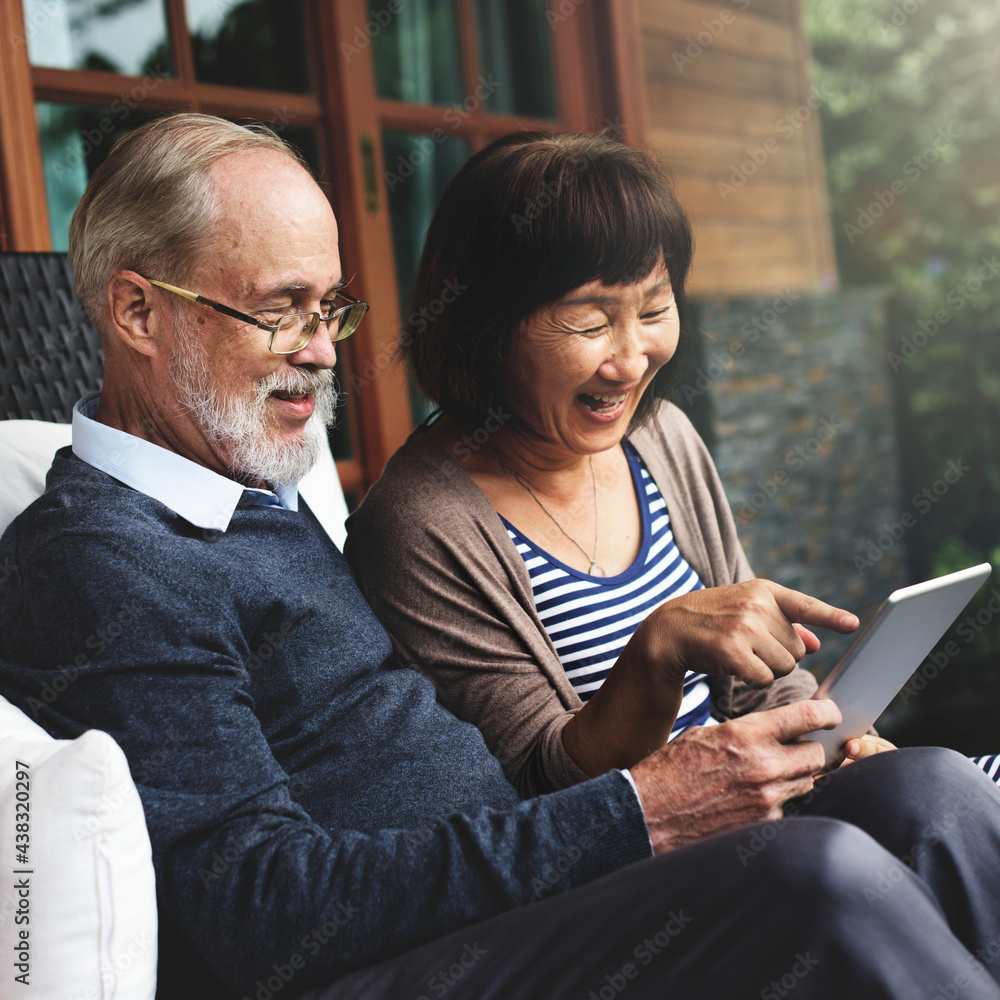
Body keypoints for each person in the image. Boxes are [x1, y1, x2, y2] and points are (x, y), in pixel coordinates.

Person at [2, 114, 1000, 1000]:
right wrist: (634, 812)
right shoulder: (97, 559)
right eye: (281, 308)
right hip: (397, 964)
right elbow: (265, 912)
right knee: (808, 874)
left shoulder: (247, 492)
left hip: (515, 892)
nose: (320, 349)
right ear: (138, 313)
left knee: (927, 791)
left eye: (332, 309)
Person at [345, 130, 1000, 793]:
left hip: (777, 811)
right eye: (590, 324)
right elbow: (542, 796)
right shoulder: (418, 524)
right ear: (484, 326)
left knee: (955, 786)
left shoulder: (662, 438)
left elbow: (755, 696)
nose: (632, 362)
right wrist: (656, 652)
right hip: (671, 871)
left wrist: (839, 743)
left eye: (654, 309)